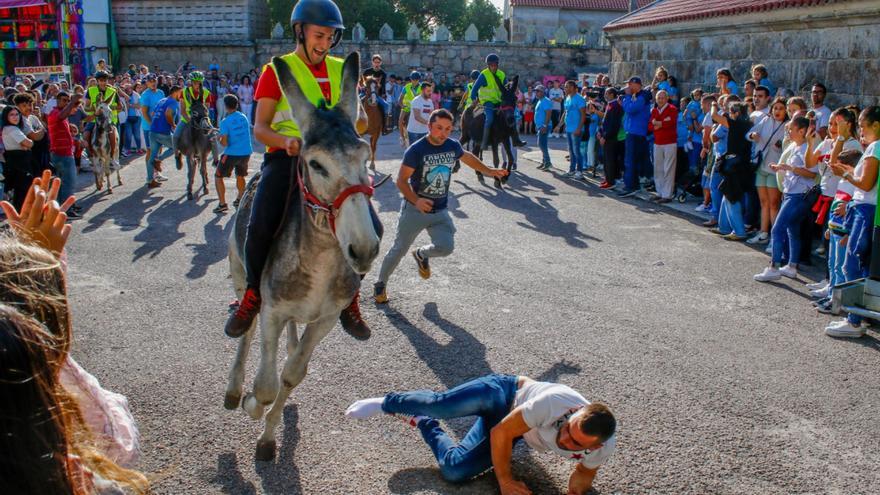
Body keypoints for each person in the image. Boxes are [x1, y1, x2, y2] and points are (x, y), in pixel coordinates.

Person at [224, 0, 380, 341]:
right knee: (261, 220)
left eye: (331, 37)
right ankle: (251, 295)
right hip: (287, 158)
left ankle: (351, 298)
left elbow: (360, 121)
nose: (324, 44)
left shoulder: (341, 70)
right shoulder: (275, 71)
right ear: (300, 30)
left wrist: (359, 120)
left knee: (374, 226)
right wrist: (286, 143)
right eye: (319, 35)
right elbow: (261, 129)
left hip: (334, 162)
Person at [346, 373, 617, 495]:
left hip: (515, 429)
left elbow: (584, 474)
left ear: (595, 447)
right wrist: (506, 481)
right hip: (503, 395)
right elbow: (502, 432)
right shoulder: (555, 403)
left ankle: (424, 423)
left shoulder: (603, 448)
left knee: (454, 471)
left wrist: (575, 493)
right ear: (577, 412)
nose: (564, 440)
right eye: (568, 429)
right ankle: (386, 402)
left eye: (575, 444)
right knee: (441, 405)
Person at [372, 109, 507, 303]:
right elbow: (401, 181)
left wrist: (490, 171)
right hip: (415, 210)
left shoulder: (452, 145)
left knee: (446, 247)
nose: (443, 133)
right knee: (398, 249)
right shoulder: (416, 150)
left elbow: (467, 156)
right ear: (429, 127)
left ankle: (421, 254)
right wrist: (416, 200)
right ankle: (380, 283)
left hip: (440, 210)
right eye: (438, 128)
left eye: (448, 129)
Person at [824, 106, 880, 337]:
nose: (861, 131)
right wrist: (850, 171)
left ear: (875, 125)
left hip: (864, 209)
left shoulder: (876, 146)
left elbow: (865, 184)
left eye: (863, 126)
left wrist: (846, 174)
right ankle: (859, 317)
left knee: (852, 263)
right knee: (860, 263)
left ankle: (854, 320)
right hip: (865, 208)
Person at [754, 116, 816, 281]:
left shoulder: (807, 148)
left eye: (791, 129)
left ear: (801, 131)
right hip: (790, 192)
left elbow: (812, 173)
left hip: (799, 194)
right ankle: (791, 266)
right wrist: (782, 168)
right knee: (792, 229)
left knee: (777, 228)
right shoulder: (795, 146)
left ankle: (774, 266)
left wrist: (789, 168)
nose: (787, 131)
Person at [747, 97, 788, 245]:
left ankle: (774, 238)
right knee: (763, 202)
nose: (777, 111)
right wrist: (753, 135)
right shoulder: (765, 120)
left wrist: (781, 145)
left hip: (774, 168)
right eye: (775, 108)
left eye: (781, 108)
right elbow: (749, 134)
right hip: (761, 165)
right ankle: (763, 232)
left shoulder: (787, 126)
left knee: (774, 204)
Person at [469, 53, 527, 150]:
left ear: (497, 64)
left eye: (495, 65)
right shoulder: (483, 75)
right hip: (488, 102)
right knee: (490, 119)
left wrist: (513, 89)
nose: (493, 67)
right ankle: (484, 142)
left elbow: (506, 88)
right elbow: (474, 90)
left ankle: (516, 140)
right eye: (491, 65)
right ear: (488, 65)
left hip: (499, 101)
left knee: (510, 116)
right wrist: (474, 100)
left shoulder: (501, 74)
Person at [47, 91, 84, 218]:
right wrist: (73, 101)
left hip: (64, 152)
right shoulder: (55, 113)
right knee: (68, 181)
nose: (66, 103)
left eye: (68, 100)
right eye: (64, 100)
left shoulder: (62, 113)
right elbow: (62, 115)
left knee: (64, 182)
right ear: (57, 100)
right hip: (61, 154)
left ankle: (67, 205)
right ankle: (66, 209)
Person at [214, 94, 252, 213]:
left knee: (218, 176)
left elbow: (224, 144)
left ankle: (222, 204)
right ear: (237, 104)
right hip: (246, 152)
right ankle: (240, 199)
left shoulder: (225, 122)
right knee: (240, 175)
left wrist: (218, 138)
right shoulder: (243, 117)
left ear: (225, 106)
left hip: (232, 153)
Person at [619, 76, 651, 198]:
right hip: (633, 132)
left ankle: (630, 186)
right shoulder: (638, 96)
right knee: (632, 161)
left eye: (630, 84)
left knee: (630, 161)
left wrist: (626, 97)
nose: (628, 87)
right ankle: (634, 184)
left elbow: (630, 109)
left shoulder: (642, 97)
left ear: (636, 85)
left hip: (636, 133)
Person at [82, 71, 119, 169]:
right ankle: (91, 156)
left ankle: (112, 157)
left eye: (105, 80)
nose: (103, 82)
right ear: (97, 81)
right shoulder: (91, 91)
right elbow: (86, 107)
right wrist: (95, 110)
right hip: (94, 119)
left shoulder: (113, 91)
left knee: (112, 135)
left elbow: (120, 107)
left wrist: (109, 108)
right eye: (101, 80)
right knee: (85, 136)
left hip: (108, 120)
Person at [173, 70, 209, 169]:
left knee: (213, 136)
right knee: (175, 136)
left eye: (199, 82)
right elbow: (183, 110)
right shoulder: (184, 92)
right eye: (195, 82)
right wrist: (189, 120)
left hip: (202, 119)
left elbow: (206, 109)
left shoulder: (206, 93)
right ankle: (177, 156)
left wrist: (203, 120)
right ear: (191, 82)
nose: (197, 84)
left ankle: (215, 157)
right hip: (187, 119)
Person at [147, 86, 182, 189]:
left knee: (151, 156)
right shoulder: (173, 102)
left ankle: (150, 180)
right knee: (177, 146)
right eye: (180, 93)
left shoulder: (162, 100)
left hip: (153, 130)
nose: (181, 95)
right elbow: (168, 113)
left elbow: (153, 113)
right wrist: (173, 125)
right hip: (163, 132)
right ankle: (159, 159)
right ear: (175, 92)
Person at [1, 105, 33, 210]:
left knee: (20, 193)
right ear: (6, 117)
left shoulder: (9, 128)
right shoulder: (12, 129)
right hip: (19, 164)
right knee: (22, 193)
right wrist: (28, 143)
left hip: (16, 162)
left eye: (17, 114)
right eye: (11, 115)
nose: (15, 117)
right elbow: (29, 143)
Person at [650, 89, 678, 202]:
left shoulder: (672, 109)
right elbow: (649, 126)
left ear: (667, 98)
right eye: (658, 98)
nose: (660, 100)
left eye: (662, 98)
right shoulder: (654, 111)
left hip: (670, 143)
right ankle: (660, 192)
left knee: (669, 169)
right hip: (658, 142)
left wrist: (658, 123)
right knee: (658, 168)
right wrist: (660, 124)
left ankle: (667, 195)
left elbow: (670, 122)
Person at [139, 74, 166, 179]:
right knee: (150, 151)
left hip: (160, 126)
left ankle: (157, 172)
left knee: (159, 150)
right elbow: (145, 113)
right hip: (149, 128)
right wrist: (152, 125)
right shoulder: (145, 95)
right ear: (147, 83)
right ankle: (150, 175)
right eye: (150, 81)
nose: (153, 83)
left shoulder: (160, 92)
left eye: (154, 80)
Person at [598, 87, 624, 189]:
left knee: (610, 159)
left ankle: (611, 181)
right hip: (606, 135)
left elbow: (613, 124)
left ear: (612, 95)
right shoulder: (609, 104)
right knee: (606, 158)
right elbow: (605, 121)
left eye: (607, 93)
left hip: (611, 137)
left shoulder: (615, 106)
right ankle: (608, 178)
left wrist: (605, 136)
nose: (605, 95)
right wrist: (600, 132)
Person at [362, 54, 391, 133]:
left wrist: (383, 95)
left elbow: (383, 86)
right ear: (372, 62)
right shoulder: (366, 72)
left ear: (380, 63)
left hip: (377, 94)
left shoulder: (383, 73)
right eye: (375, 62)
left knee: (386, 105)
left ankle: (384, 127)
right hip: (366, 93)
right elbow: (362, 83)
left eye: (378, 62)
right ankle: (354, 125)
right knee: (356, 103)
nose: (377, 64)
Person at [398, 71, 422, 146]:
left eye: (416, 80)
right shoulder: (406, 87)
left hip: (417, 108)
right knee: (400, 120)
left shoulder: (422, 87)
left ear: (419, 80)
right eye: (413, 79)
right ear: (411, 79)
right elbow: (400, 98)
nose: (414, 81)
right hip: (406, 107)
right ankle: (402, 137)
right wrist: (402, 105)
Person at [533, 85, 553, 170]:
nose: (536, 93)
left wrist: (544, 125)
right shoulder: (540, 100)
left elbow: (548, 113)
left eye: (538, 91)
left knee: (542, 144)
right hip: (540, 126)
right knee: (541, 144)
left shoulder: (546, 101)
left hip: (545, 126)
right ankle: (544, 161)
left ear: (543, 92)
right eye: (535, 91)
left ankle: (548, 163)